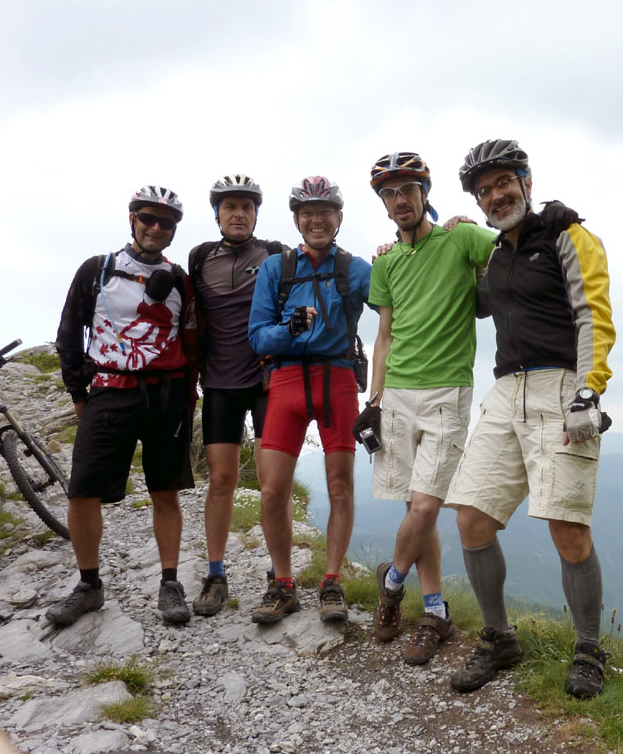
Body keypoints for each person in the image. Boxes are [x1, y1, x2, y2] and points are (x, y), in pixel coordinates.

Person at [445, 139, 615, 699]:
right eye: (484, 189)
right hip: (505, 389)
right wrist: (442, 241)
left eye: (504, 182)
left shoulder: (568, 234)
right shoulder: (496, 255)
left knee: (566, 525)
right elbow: (473, 301)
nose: (496, 195)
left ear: (527, 181)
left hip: (562, 386)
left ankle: (589, 648)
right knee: (471, 515)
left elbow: (592, 313)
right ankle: (498, 639)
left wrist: (590, 392)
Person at [354, 152, 496, 666]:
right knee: (416, 509)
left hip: (446, 392)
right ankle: (434, 609)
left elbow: (511, 246)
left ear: (425, 193)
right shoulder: (387, 261)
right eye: (389, 194)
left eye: (406, 190)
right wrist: (372, 399)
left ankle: (391, 585)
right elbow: (384, 334)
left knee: (428, 505)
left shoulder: (460, 238)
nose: (398, 201)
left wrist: (476, 224)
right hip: (396, 397)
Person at [48, 185, 198, 627]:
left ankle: (170, 583)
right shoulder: (98, 269)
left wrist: (190, 398)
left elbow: (192, 341)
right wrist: (78, 392)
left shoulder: (181, 280)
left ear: (174, 230)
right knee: (82, 490)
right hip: (110, 389)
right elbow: (69, 330)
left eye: (165, 222)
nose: (155, 227)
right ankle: (88, 586)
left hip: (167, 394)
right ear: (131, 219)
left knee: (165, 491)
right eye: (147, 218)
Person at [248, 176, 372, 624]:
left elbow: (399, 299)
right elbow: (257, 334)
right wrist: (291, 329)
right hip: (285, 381)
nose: (316, 219)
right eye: (307, 213)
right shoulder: (275, 269)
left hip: (337, 378)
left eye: (325, 212)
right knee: (272, 489)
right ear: (297, 220)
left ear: (339, 218)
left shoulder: (356, 269)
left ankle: (332, 581)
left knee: (341, 485)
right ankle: (283, 583)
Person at [188, 174, 285, 617]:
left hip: (266, 382)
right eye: (230, 206)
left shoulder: (275, 254)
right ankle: (215, 573)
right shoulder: (200, 257)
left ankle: (277, 575)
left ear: (256, 214)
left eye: (247, 206)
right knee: (222, 480)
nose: (239, 213)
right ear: (217, 214)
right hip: (220, 383)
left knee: (271, 485)